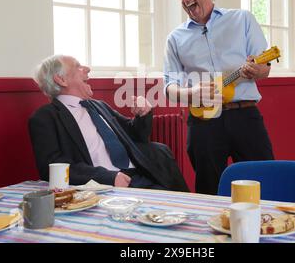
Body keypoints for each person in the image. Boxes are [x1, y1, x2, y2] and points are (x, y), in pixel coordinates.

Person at [163, 0, 274, 195]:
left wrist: (257, 69)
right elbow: (169, 87)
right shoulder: (175, 38)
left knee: (264, 183)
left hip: (245, 116)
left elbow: (265, 69)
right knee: (209, 190)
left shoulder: (242, 19)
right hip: (203, 124)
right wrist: (191, 94)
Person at [29, 55, 189, 192]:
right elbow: (53, 168)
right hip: (105, 185)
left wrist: (143, 114)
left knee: (184, 208)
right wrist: (109, 177)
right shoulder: (45, 118)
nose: (87, 69)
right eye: (78, 67)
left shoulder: (98, 105)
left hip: (141, 173)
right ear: (61, 79)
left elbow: (135, 135)